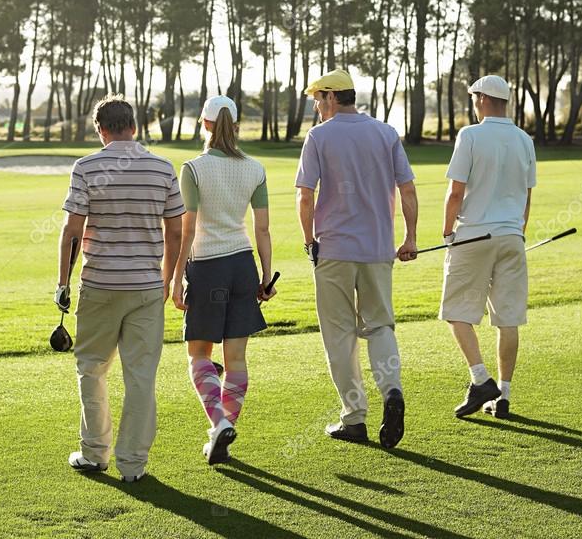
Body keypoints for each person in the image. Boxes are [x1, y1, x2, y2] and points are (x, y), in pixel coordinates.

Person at [55, 95, 183, 481]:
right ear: (135, 126)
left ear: (101, 130)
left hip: (99, 286)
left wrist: (62, 283)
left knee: (92, 369)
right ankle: (133, 466)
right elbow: (176, 231)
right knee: (140, 377)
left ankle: (95, 454)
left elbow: (72, 231)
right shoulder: (162, 168)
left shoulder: (86, 167)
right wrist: (167, 279)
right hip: (146, 288)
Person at [295, 69, 418, 449]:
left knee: (339, 335)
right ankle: (392, 390)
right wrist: (410, 237)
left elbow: (304, 196)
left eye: (318, 99)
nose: (316, 107)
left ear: (332, 97)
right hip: (379, 248)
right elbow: (408, 190)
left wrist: (308, 241)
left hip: (334, 249)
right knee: (380, 326)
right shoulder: (386, 133)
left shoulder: (319, 136)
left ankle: (354, 419)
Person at [171, 95, 276, 465]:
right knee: (236, 360)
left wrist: (175, 276)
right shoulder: (255, 168)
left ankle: (218, 425)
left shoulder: (193, 168)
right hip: (243, 267)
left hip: (208, 266)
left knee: (198, 354)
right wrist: (265, 274)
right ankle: (224, 430)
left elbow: (187, 229)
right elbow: (262, 229)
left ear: (205, 124)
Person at [439, 74, 536, 420]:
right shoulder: (525, 140)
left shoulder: (471, 135)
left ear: (481, 99)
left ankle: (481, 380)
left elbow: (455, 192)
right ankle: (504, 397)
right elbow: (526, 197)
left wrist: (447, 232)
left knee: (456, 312)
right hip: (512, 237)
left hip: (473, 236)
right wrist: (517, 233)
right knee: (507, 318)